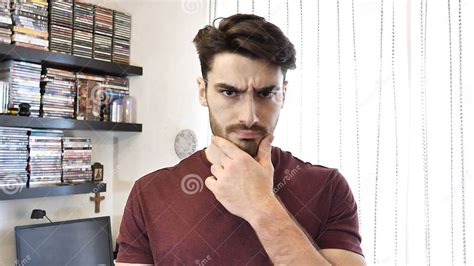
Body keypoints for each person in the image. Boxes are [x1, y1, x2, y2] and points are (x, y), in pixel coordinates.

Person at [116, 14, 365, 266]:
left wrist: (261, 205)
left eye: (266, 93)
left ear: (284, 93)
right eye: (229, 92)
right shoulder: (148, 193)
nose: (249, 116)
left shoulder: (328, 188)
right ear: (203, 92)